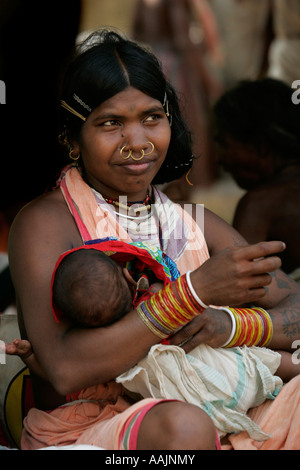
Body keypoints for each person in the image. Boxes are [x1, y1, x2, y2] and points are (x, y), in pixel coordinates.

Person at [7, 30, 300, 450]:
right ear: (72, 139)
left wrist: (231, 324)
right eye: (111, 123)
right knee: (185, 427)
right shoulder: (45, 223)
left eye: (151, 118)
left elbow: (296, 307)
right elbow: (64, 368)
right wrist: (194, 293)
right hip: (97, 427)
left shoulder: (195, 222)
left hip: (224, 406)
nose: (137, 143)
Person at [5, 239, 299, 442]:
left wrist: (31, 357)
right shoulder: (150, 306)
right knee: (264, 362)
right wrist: (193, 296)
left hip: (202, 398)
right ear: (130, 277)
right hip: (219, 372)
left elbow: (63, 375)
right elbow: (65, 374)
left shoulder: (109, 351)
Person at [213, 77, 300, 277]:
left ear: (259, 146)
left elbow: (237, 284)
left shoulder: (259, 205)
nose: (220, 159)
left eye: (224, 145)